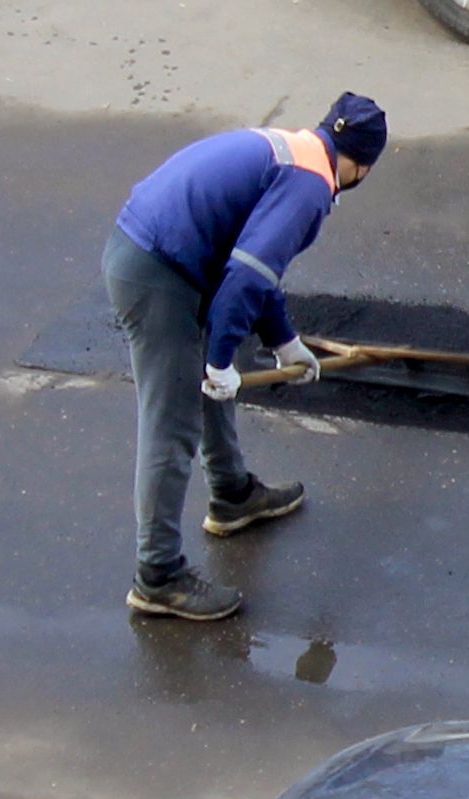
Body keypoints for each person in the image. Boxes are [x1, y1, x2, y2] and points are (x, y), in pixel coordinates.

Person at [101, 92, 387, 621]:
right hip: (157, 269)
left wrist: (284, 343)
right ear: (363, 165)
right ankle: (157, 576)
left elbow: (258, 269)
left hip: (167, 252)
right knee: (174, 421)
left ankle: (232, 495)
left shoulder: (295, 151)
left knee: (213, 373)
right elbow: (248, 276)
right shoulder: (310, 185)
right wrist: (221, 360)